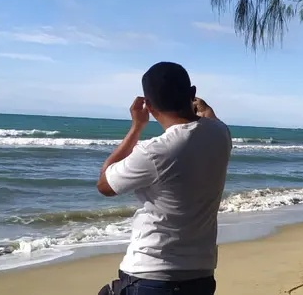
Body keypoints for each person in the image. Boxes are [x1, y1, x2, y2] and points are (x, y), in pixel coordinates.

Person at [96, 62, 232, 295]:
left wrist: (136, 127)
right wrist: (203, 107)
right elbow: (209, 118)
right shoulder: (221, 134)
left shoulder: (155, 151)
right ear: (192, 94)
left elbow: (105, 185)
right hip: (201, 275)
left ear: (148, 105)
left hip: (152, 273)